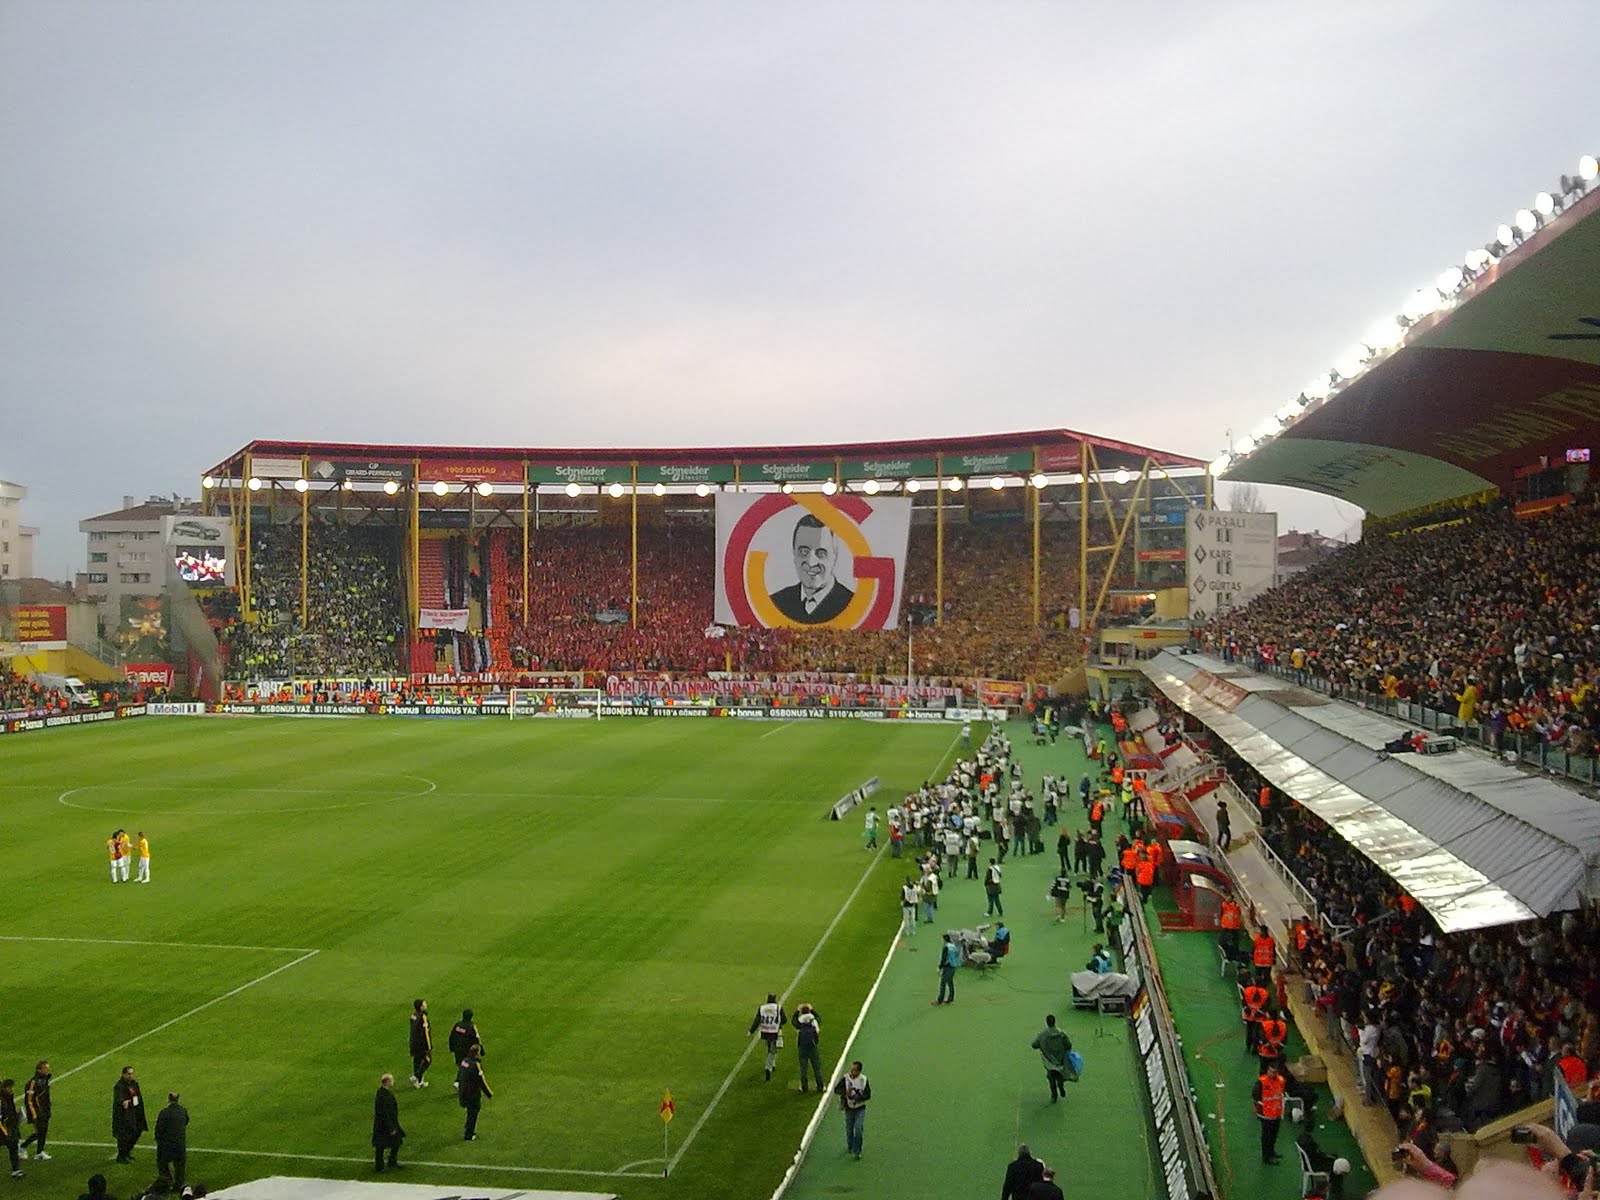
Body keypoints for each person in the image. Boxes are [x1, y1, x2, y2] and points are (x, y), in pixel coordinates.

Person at [769, 515, 854, 624]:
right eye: (804, 552)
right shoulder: (777, 602)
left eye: (821, 553)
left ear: (834, 556)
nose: (811, 562)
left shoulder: (851, 604)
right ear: (794, 554)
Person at [832, 1061, 870, 1160]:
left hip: (860, 1108)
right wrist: (846, 1093)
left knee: (858, 1128)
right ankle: (850, 1145)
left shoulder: (863, 1080)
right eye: (851, 1069)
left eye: (854, 1070)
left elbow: (868, 1095)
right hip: (849, 1109)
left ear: (858, 1071)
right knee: (849, 1129)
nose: (851, 1072)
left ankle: (857, 1151)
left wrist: (859, 1098)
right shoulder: (845, 1079)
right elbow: (836, 1089)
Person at [1031, 1015, 1073, 1103]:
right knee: (1060, 1074)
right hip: (1060, 1060)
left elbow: (1034, 1045)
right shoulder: (1062, 1033)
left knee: (1051, 1077)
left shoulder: (1042, 1034)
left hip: (1049, 1061)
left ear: (1047, 1022)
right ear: (1054, 1022)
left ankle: (1054, 1096)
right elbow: (1068, 1045)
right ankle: (1061, 1086)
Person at [1253, 1061, 1286, 1164]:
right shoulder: (1261, 1082)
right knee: (1266, 1136)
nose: (1273, 1074)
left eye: (1275, 1072)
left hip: (1276, 1113)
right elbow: (1255, 1096)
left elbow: (1281, 1094)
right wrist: (1259, 1110)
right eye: (1271, 1071)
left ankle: (1271, 1151)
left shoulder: (1281, 1080)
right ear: (1267, 1070)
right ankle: (1266, 1157)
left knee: (1274, 1135)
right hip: (1266, 1114)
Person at [456, 1045, 492, 1141]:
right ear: (476, 1054)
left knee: (470, 1111)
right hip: (472, 1093)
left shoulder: (464, 1061)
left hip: (463, 1091)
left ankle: (468, 1128)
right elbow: (481, 1081)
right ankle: (469, 1134)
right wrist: (489, 1093)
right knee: (473, 1111)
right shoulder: (475, 1065)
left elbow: (460, 1074)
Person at [111, 1065, 146, 1162]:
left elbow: (137, 1097)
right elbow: (120, 1100)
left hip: (134, 1113)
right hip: (123, 1116)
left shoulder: (134, 1084)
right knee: (124, 1136)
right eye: (128, 1074)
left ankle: (127, 1152)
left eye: (132, 1073)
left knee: (137, 1132)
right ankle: (121, 1156)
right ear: (123, 1074)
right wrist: (126, 1102)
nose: (131, 1076)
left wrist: (133, 1103)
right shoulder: (119, 1086)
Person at [749, 992, 787, 1082]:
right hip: (775, 1031)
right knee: (773, 1050)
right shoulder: (778, 1008)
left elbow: (757, 1020)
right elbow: (784, 1020)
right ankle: (768, 1066)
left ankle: (773, 1064)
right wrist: (778, 1024)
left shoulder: (762, 1008)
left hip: (765, 1031)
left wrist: (751, 1031)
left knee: (770, 1048)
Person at [154, 1091, 188, 1190]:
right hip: (180, 1143)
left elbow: (159, 1129)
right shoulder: (183, 1111)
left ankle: (166, 1182)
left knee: (162, 1163)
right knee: (180, 1165)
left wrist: (158, 1140)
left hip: (167, 1144)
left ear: (168, 1099)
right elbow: (186, 1121)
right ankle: (178, 1184)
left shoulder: (164, 1113)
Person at [372, 1073, 404, 1172]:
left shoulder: (382, 1093)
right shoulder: (384, 1095)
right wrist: (391, 1127)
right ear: (387, 1082)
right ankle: (380, 1166)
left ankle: (391, 1161)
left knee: (396, 1141)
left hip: (386, 1123)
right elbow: (385, 1113)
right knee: (381, 1146)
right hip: (384, 1125)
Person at [20, 1060, 50, 1161]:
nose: (47, 1070)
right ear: (39, 1070)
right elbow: (29, 1100)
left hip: (45, 1110)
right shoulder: (33, 1082)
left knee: (43, 1131)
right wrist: (34, 1114)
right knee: (39, 1131)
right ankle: (23, 1147)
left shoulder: (45, 1079)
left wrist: (48, 1108)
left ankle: (39, 1152)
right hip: (36, 1111)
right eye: (45, 1068)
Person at [794, 1005, 824, 1094]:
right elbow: (819, 1018)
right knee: (816, 1067)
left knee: (803, 1068)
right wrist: (812, 1010)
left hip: (802, 1046)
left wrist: (797, 1011)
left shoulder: (800, 1022)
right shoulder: (813, 1020)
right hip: (813, 1046)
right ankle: (820, 1086)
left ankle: (804, 1087)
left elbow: (793, 1021)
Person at [448, 1009, 482, 1087]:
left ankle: (459, 1082)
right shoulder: (471, 1026)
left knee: (461, 1065)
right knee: (466, 1066)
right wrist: (481, 1050)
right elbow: (476, 1038)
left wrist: (451, 1047)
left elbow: (452, 1036)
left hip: (457, 1049)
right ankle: (459, 1082)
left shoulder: (457, 1025)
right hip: (466, 1050)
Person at [408, 1000, 432, 1088]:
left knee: (417, 1060)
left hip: (413, 1041)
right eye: (424, 1004)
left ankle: (418, 1079)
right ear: (421, 1007)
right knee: (428, 1061)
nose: (426, 1005)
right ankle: (417, 1077)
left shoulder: (414, 1015)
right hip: (421, 1044)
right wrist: (428, 1046)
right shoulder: (423, 1017)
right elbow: (425, 1032)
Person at [0, 1079, 21, 1179]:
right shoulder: (1, 1101)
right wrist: (5, 1132)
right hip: (3, 1129)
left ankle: (16, 1170)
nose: (11, 1089)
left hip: (10, 1127)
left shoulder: (8, 1097)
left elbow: (10, 1110)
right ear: (4, 1088)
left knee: (13, 1147)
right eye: (9, 1088)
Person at [934, 933, 960, 1005]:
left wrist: (940, 967)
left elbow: (944, 958)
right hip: (953, 966)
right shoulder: (953, 946)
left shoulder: (946, 947)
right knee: (950, 982)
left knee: (943, 983)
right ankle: (951, 998)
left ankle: (939, 1000)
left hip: (948, 966)